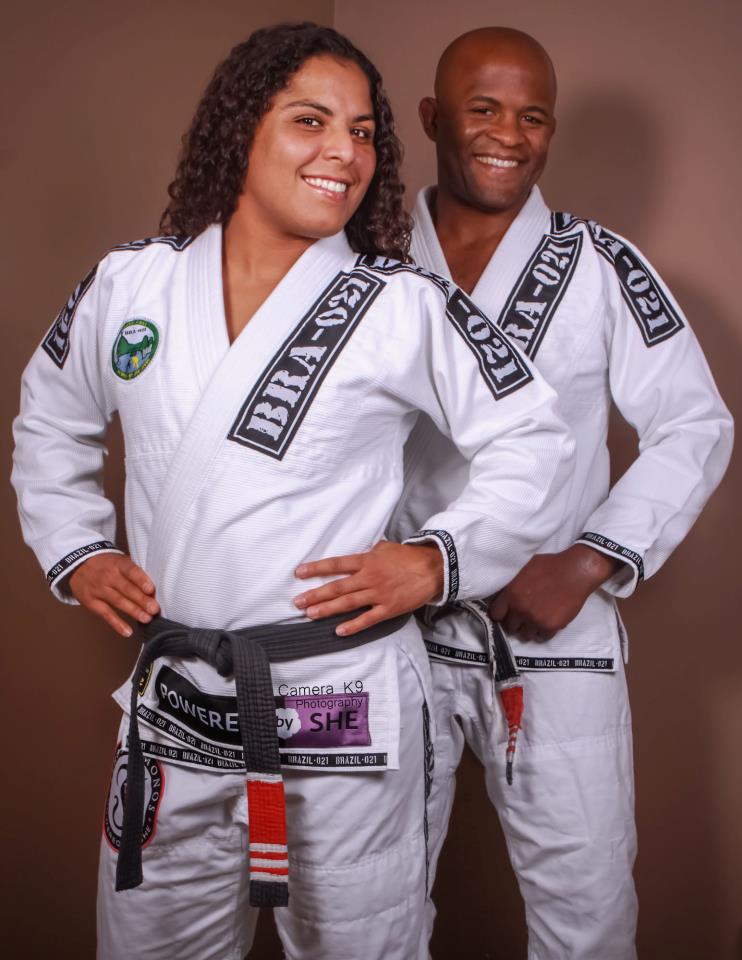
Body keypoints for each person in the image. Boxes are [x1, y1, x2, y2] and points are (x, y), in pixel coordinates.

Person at [11, 23, 574, 960]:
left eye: (363, 132)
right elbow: (49, 418)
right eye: (311, 121)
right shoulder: (131, 284)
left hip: (339, 702)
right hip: (181, 695)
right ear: (242, 129)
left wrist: (436, 561)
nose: (343, 152)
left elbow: (536, 436)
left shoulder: (401, 303)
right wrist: (79, 549)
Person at [389, 26, 734, 960]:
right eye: (483, 109)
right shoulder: (366, 263)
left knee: (586, 911)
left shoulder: (602, 264)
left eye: (532, 116)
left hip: (551, 628)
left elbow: (695, 424)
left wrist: (587, 562)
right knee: (366, 909)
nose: (509, 134)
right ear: (432, 118)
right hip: (396, 631)